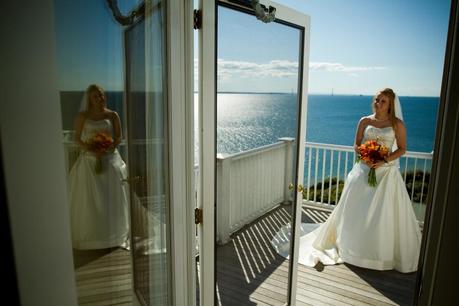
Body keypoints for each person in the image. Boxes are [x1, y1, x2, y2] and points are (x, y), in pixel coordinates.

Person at [272, 88, 422, 273]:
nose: (378, 103)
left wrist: (382, 160)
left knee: (380, 215)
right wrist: (365, 156)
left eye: (383, 101)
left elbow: (402, 149)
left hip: (386, 175)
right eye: (377, 100)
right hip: (363, 170)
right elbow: (357, 144)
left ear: (390, 104)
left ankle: (378, 255)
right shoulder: (364, 121)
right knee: (358, 211)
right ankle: (352, 249)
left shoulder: (397, 124)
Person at [68, 84, 129, 250]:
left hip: (110, 159)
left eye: (101, 95)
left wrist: (107, 148)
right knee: (89, 201)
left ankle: (114, 235)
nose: (99, 98)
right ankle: (91, 237)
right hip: (89, 160)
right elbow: (77, 138)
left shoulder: (112, 115)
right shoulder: (82, 116)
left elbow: (118, 137)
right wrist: (92, 149)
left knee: (111, 198)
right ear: (89, 99)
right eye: (95, 96)